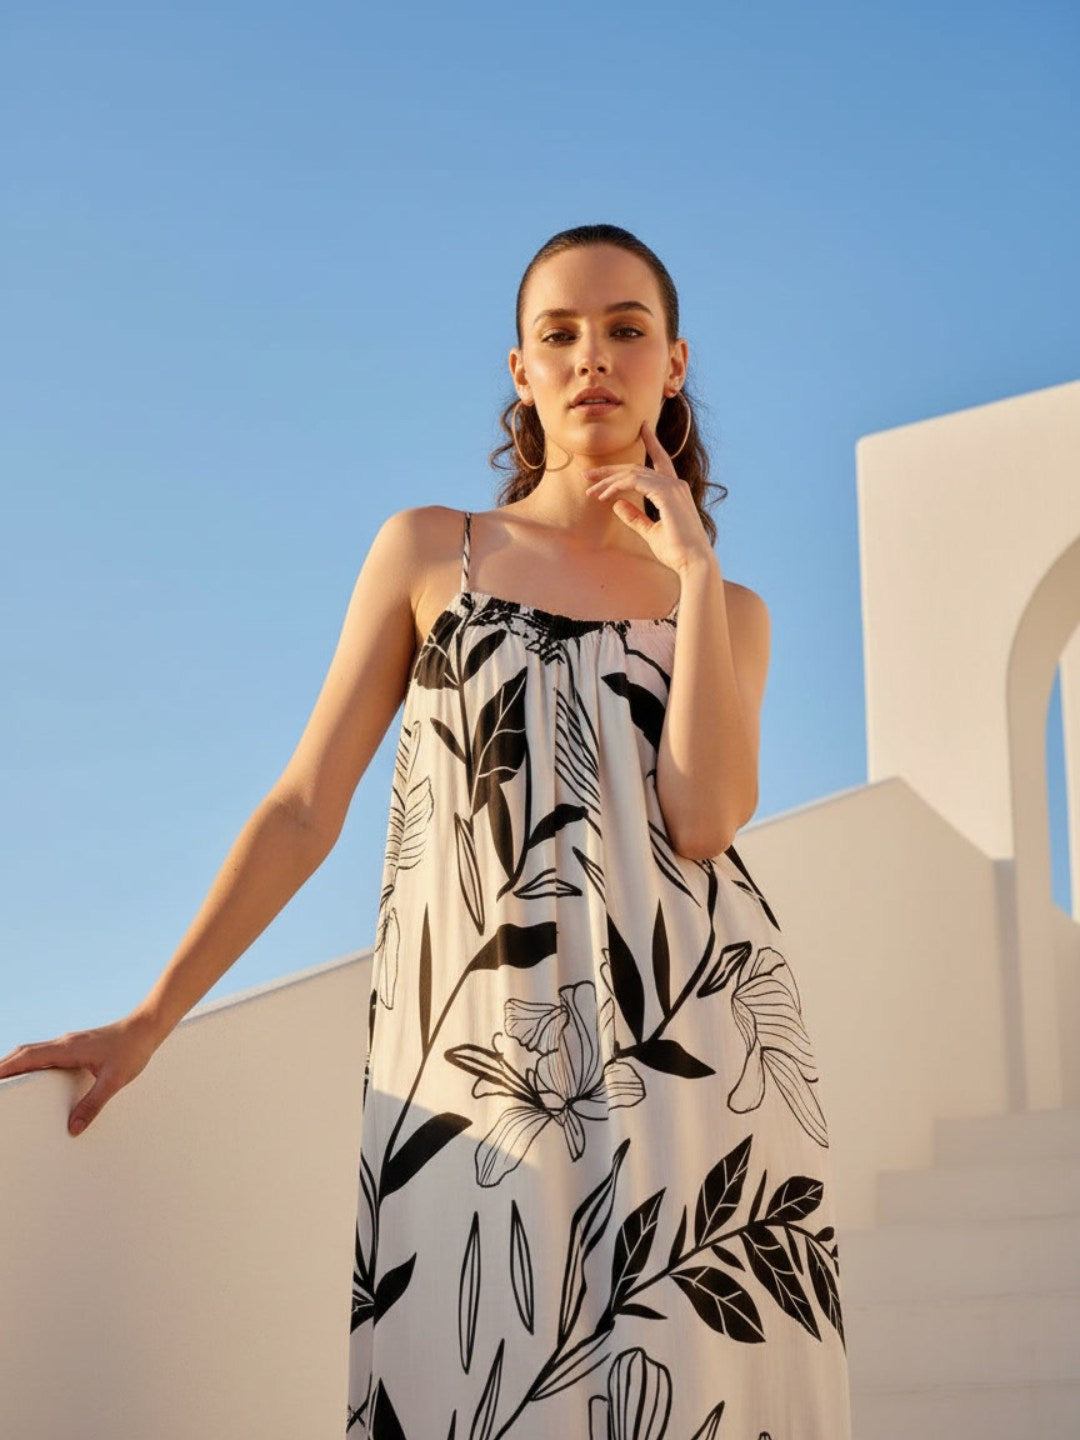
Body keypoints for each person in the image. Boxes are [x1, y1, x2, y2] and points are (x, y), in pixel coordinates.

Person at [0, 223, 853, 1438]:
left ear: (673, 363)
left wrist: (700, 574)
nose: (591, 359)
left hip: (689, 1064)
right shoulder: (433, 552)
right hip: (480, 1058)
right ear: (521, 371)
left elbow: (705, 822)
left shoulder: (727, 609)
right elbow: (304, 807)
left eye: (625, 331)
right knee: (479, 1374)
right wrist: (153, 1015)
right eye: (558, 335)